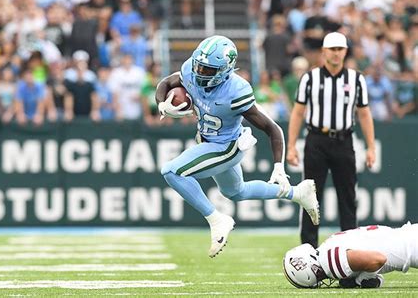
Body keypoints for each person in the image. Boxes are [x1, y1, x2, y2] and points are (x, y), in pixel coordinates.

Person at [156, 35, 320, 258]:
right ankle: (299, 193)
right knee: (235, 191)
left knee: (172, 171)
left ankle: (217, 220)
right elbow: (166, 83)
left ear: (224, 71)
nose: (198, 73)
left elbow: (273, 129)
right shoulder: (190, 71)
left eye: (207, 70)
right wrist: (162, 104)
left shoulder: (236, 91)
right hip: (207, 140)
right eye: (198, 66)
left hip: (225, 147)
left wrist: (278, 168)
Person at [287, 32, 376, 248]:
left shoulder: (356, 79)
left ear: (345, 51)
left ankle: (350, 250)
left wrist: (371, 147)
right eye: (332, 49)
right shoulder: (310, 78)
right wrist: (291, 146)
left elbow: (364, 114)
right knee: (310, 198)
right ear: (324, 51)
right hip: (316, 140)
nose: (336, 54)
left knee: (347, 197)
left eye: (340, 49)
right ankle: (309, 251)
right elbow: (298, 112)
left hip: (344, 141)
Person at [283, 222, 418, 289]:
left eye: (317, 278)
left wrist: (360, 280)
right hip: (410, 236)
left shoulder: (328, 261)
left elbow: (377, 259)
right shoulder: (326, 247)